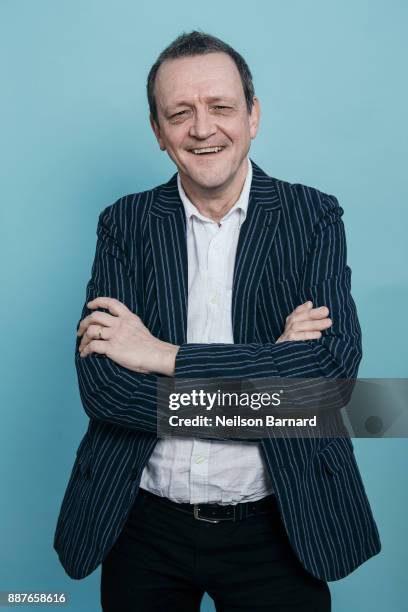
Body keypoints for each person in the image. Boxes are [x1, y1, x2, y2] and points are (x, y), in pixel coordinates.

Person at [53, 31, 381, 611]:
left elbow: (329, 379)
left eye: (221, 107)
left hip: (279, 526)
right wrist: (270, 383)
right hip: (142, 525)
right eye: (179, 113)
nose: (202, 129)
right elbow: (103, 389)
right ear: (158, 131)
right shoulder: (124, 224)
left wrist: (162, 356)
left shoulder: (314, 216)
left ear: (253, 116)